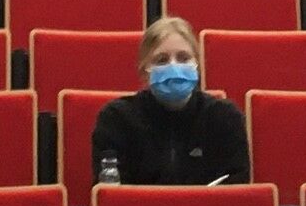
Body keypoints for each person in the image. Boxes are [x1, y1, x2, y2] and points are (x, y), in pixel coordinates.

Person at [90, 17, 249, 186]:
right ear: (145, 70)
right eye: (162, 60)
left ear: (197, 65)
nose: (174, 67)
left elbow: (236, 188)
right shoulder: (116, 120)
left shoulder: (225, 118)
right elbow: (110, 193)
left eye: (183, 58)